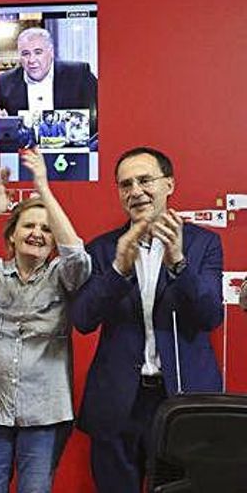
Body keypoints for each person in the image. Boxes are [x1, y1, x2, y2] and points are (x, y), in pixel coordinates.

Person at [71, 147, 223, 493]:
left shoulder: (204, 244)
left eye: (145, 180)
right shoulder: (103, 249)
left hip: (182, 403)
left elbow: (210, 316)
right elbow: (82, 319)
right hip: (119, 402)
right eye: (125, 185)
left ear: (169, 184)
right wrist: (118, 270)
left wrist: (178, 263)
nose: (135, 191)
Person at [0, 151, 90, 493]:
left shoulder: (61, 275)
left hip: (44, 414)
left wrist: (43, 187)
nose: (38, 234)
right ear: (12, 235)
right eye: (29, 226)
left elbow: (78, 260)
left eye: (46, 229)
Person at [0, 27, 97, 122]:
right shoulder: (5, 82)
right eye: (25, 54)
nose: (31, 60)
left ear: (51, 52)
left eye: (38, 52)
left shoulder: (79, 74)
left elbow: (102, 114)